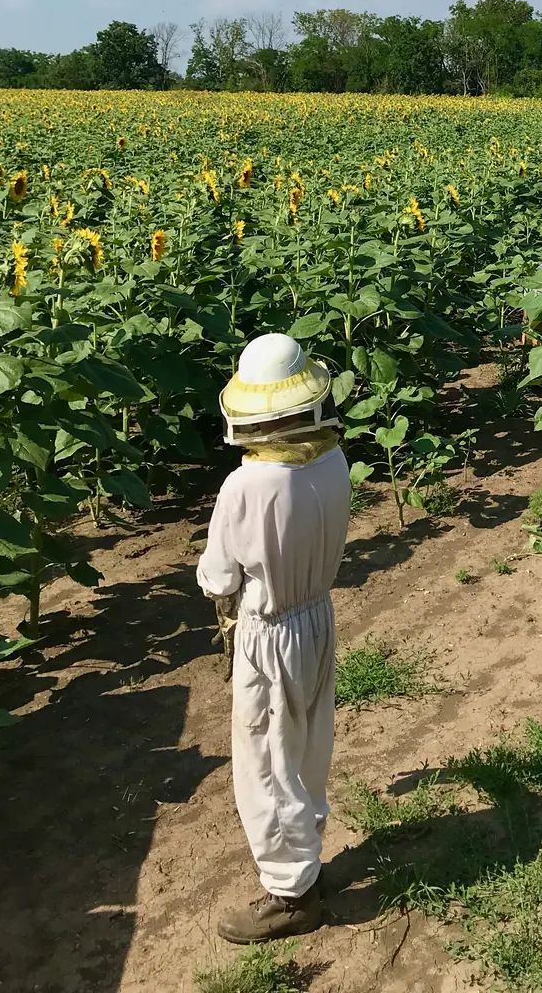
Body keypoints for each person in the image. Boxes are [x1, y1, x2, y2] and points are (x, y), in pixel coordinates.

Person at [196, 332, 350, 944]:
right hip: (317, 617)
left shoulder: (247, 486)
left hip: (269, 630)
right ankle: (305, 853)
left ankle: (290, 894)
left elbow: (219, 576)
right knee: (309, 744)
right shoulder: (333, 459)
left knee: (265, 762)